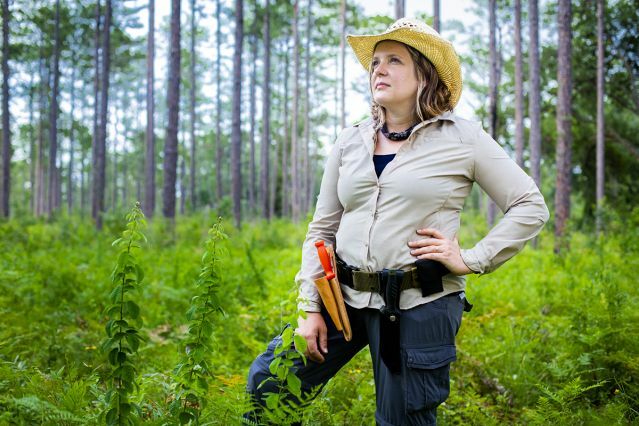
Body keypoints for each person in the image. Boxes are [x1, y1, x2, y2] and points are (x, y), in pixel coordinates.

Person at [245, 17, 549, 425]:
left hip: (418, 305)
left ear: (424, 74)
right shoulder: (349, 141)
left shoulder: (464, 139)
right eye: (375, 63)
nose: (379, 70)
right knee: (269, 384)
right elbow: (321, 231)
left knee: (402, 418)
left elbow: (530, 204)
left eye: (394, 60)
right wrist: (309, 308)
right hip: (343, 300)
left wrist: (473, 258)